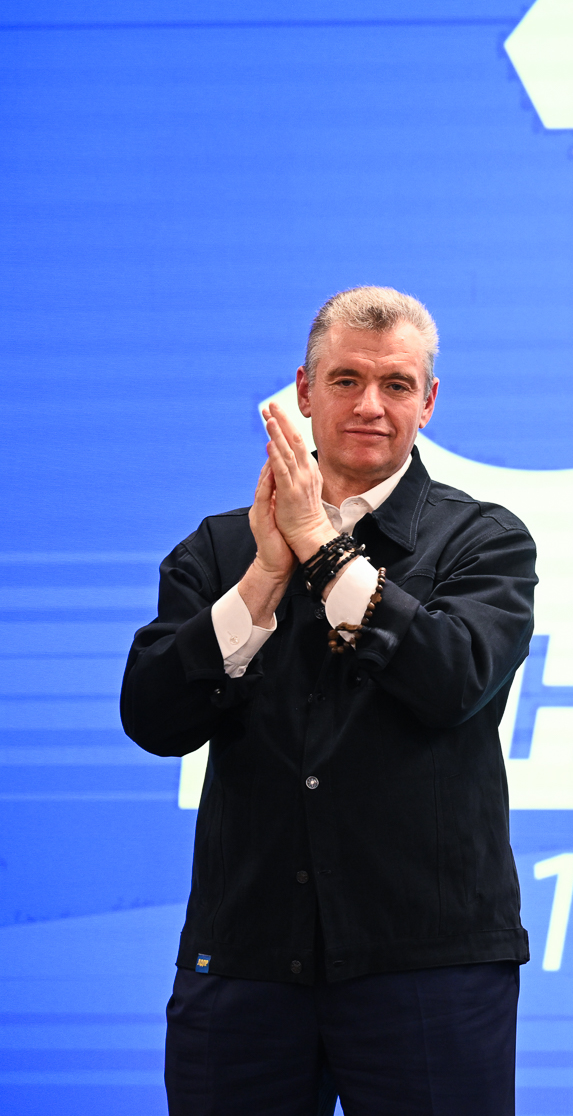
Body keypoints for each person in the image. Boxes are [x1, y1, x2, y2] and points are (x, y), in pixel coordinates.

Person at [121, 286, 537, 1115]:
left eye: (396, 384)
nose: (370, 405)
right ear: (305, 392)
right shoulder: (222, 548)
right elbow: (154, 717)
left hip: (431, 970)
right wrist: (264, 576)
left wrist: (317, 544)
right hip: (244, 967)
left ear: (428, 402)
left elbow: (452, 679)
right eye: (346, 380)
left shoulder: (484, 541)